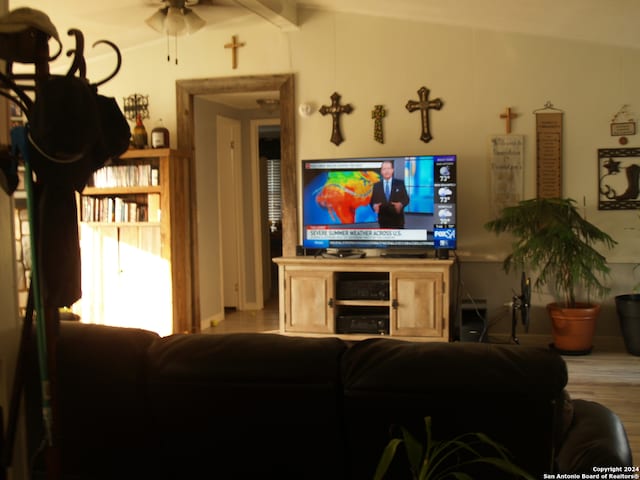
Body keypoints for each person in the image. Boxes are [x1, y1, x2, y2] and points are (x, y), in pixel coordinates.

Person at [370, 160, 410, 228]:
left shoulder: (400, 183)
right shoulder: (376, 186)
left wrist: (401, 204)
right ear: (381, 171)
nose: (387, 171)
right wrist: (374, 206)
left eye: (388, 168)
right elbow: (372, 201)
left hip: (398, 221)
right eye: (384, 169)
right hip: (383, 221)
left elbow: (406, 199)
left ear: (392, 170)